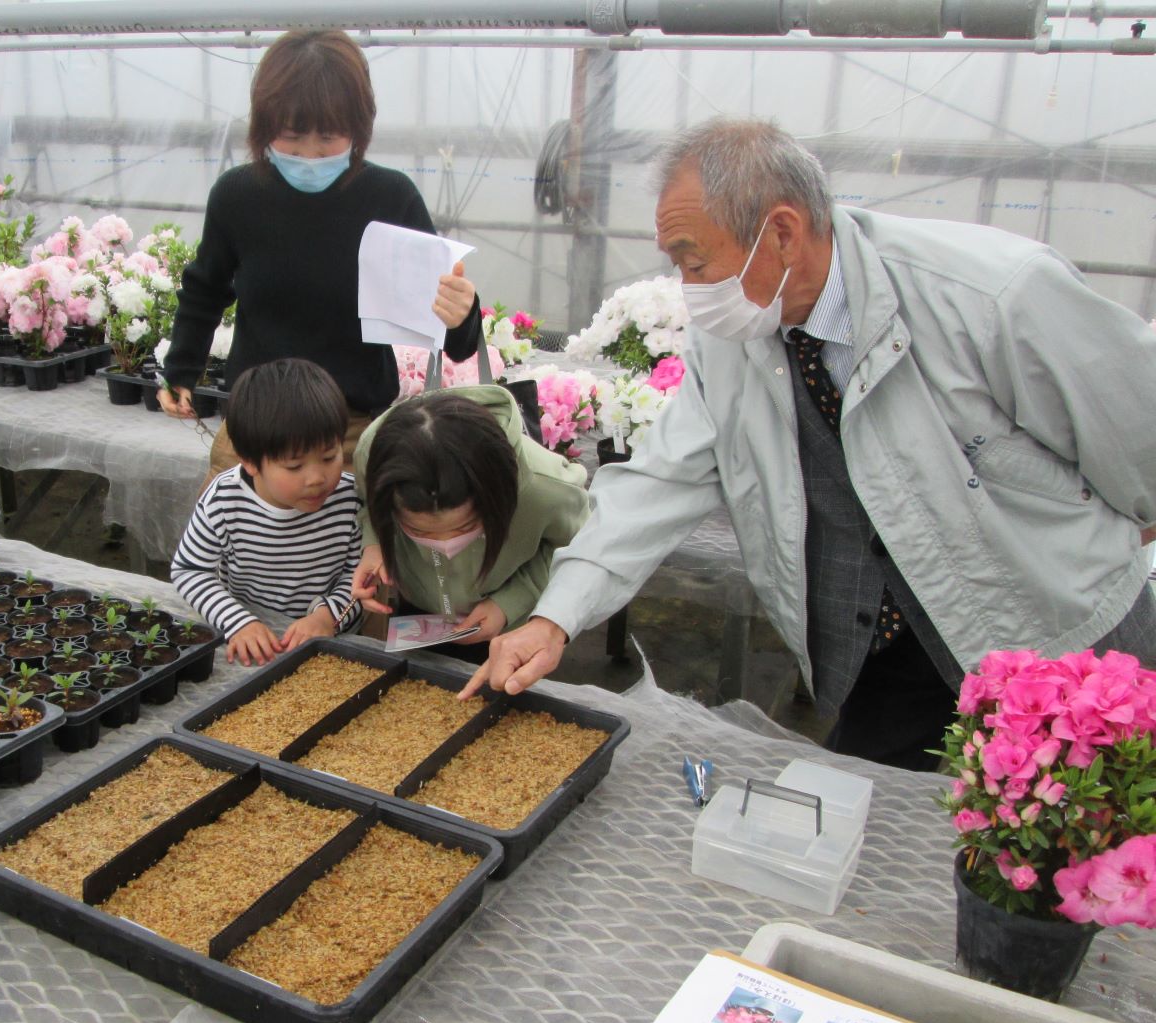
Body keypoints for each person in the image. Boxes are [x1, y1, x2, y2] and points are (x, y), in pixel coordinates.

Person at [466, 117, 1156, 770]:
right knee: (889, 850)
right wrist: (556, 617)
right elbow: (657, 483)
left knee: (1073, 854)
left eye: (695, 262)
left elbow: (1139, 433)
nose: (687, 289)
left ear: (784, 233)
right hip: (882, 657)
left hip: (1060, 650)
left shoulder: (990, 294)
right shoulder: (732, 339)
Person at [156, 28, 484, 479]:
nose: (309, 154)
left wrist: (461, 313)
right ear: (264, 127)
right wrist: (181, 370)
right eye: (291, 137)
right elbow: (205, 289)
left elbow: (451, 332)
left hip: (346, 436)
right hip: (255, 430)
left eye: (328, 138)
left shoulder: (390, 200)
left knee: (348, 549)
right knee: (237, 541)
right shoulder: (238, 196)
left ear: (359, 129)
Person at [350, 385, 590, 658]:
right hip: (419, 614)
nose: (443, 545)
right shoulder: (371, 457)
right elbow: (370, 504)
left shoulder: (544, 488)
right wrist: (374, 543)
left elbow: (580, 553)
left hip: (510, 626)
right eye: (418, 530)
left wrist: (509, 603)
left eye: (465, 528)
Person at [172, 358, 364, 666]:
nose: (317, 478)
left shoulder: (350, 500)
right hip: (257, 640)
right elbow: (190, 571)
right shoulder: (225, 499)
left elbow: (359, 577)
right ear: (250, 461)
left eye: (330, 456)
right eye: (294, 466)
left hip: (332, 643)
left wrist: (327, 618)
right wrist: (238, 622)